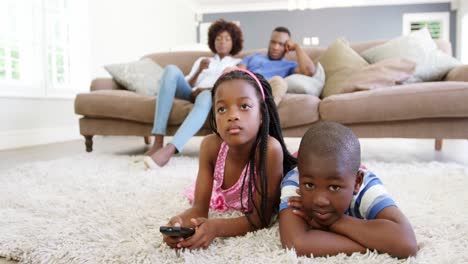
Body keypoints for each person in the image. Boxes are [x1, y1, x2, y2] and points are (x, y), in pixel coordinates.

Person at [162, 69, 297, 250]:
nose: (232, 115)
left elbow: (260, 219)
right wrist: (180, 223)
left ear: (262, 116)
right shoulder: (210, 146)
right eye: (222, 109)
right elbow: (199, 208)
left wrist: (217, 227)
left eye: (244, 106)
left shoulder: (269, 151)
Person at [279, 122, 418, 258]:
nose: (319, 200)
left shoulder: (366, 187)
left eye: (334, 187)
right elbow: (296, 243)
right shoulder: (295, 182)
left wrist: (335, 222)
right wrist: (372, 246)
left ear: (357, 182)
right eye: (310, 185)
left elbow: (407, 243)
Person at [144, 19, 244, 168]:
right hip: (192, 92)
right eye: (218, 38)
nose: (222, 42)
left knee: (205, 96)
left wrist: (208, 90)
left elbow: (231, 89)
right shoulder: (202, 60)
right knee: (171, 69)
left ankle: (170, 149)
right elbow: (189, 85)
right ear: (213, 41)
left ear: (233, 42)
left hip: (210, 95)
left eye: (227, 39)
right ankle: (158, 141)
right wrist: (198, 71)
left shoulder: (237, 63)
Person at [238, 27, 316, 105]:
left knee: (280, 82)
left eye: (281, 44)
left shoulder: (289, 65)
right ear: (269, 43)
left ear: (287, 47)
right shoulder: (253, 57)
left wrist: (296, 47)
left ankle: (267, 112)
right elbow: (238, 73)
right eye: (273, 42)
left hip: (267, 88)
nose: (275, 47)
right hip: (248, 85)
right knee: (231, 70)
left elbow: (309, 71)